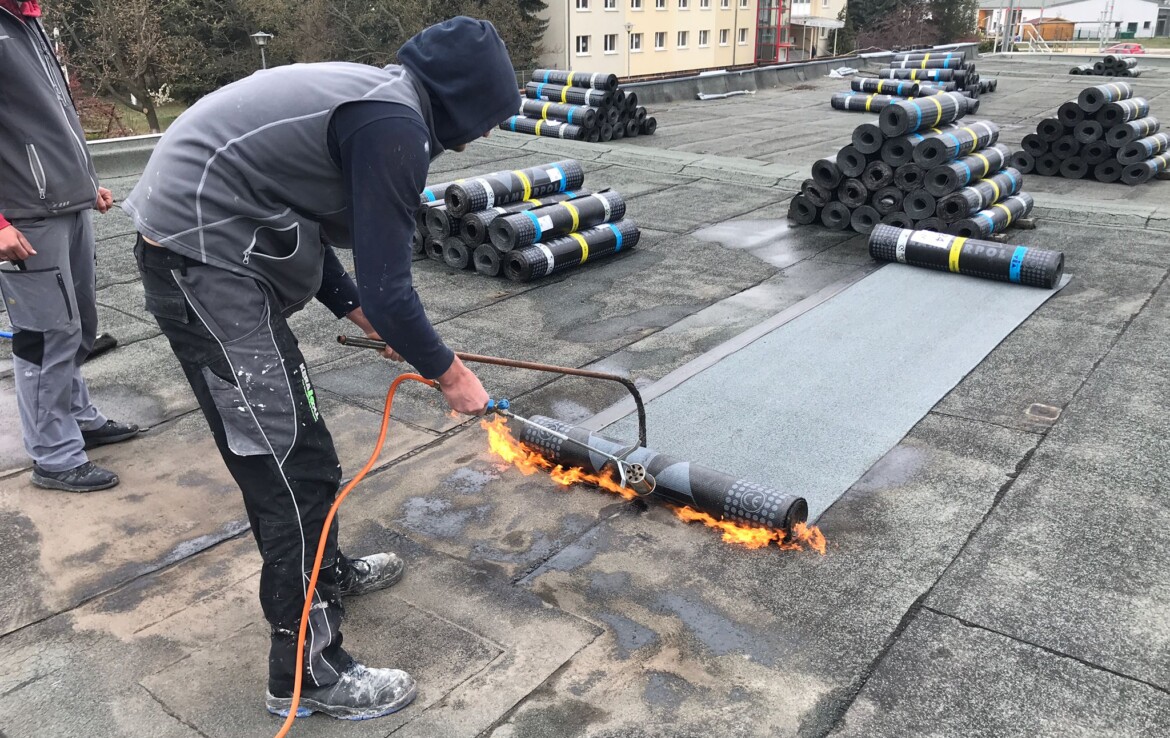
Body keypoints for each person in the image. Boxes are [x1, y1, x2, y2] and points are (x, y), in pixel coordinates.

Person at [124, 16, 520, 722]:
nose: (489, 133)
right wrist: (453, 376)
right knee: (288, 465)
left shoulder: (381, 104)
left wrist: (359, 313)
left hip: (218, 241)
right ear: (464, 99)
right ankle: (305, 671)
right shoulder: (391, 127)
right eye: (491, 115)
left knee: (305, 447)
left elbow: (298, 211)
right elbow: (395, 292)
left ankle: (324, 579)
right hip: (202, 261)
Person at [0, 0, 140, 493]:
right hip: (23, 215)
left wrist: (87, 184)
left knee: (77, 323)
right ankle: (54, 456)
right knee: (45, 335)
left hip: (66, 203)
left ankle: (76, 418)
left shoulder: (27, 21)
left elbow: (52, 117)